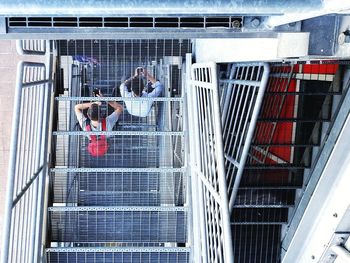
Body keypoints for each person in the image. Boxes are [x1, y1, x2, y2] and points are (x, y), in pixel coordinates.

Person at [74, 90, 123, 156]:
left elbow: (77, 107)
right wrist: (104, 99)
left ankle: (85, 89)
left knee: (110, 117)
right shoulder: (107, 122)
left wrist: (93, 103)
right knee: (111, 111)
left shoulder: (85, 125)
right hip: (106, 127)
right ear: (101, 114)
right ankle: (116, 91)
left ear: (88, 115)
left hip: (106, 134)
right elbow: (120, 108)